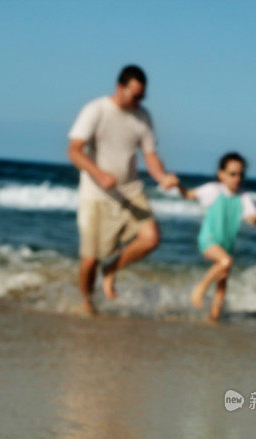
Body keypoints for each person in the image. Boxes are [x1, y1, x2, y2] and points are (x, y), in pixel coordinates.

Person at [68, 65, 179, 314]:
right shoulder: (96, 110)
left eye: (142, 97)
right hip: (96, 194)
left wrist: (161, 177)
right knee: (89, 259)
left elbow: (150, 155)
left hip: (130, 190)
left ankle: (112, 269)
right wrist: (98, 173)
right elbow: (73, 150)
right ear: (120, 88)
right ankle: (86, 302)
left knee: (151, 237)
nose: (139, 101)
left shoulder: (143, 116)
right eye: (134, 95)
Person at [178, 152, 256, 323]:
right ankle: (199, 288)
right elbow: (188, 195)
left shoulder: (243, 196)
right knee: (225, 262)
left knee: (222, 284)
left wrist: (255, 219)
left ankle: (213, 318)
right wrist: (178, 185)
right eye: (232, 174)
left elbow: (252, 215)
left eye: (240, 174)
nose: (236, 178)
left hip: (227, 245)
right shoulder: (213, 190)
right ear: (221, 174)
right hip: (208, 241)